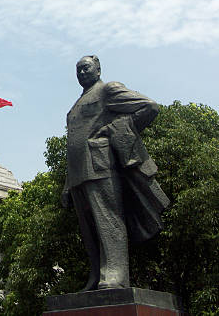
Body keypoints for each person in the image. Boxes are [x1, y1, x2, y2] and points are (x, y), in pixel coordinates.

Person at [62, 55, 169, 291]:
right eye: (78, 70)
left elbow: (149, 107)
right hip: (79, 173)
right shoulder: (75, 105)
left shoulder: (108, 91)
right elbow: (73, 145)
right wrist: (67, 185)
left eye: (86, 68)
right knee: (89, 231)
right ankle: (96, 275)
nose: (81, 73)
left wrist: (112, 131)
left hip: (101, 166)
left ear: (98, 69)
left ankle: (115, 275)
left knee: (108, 221)